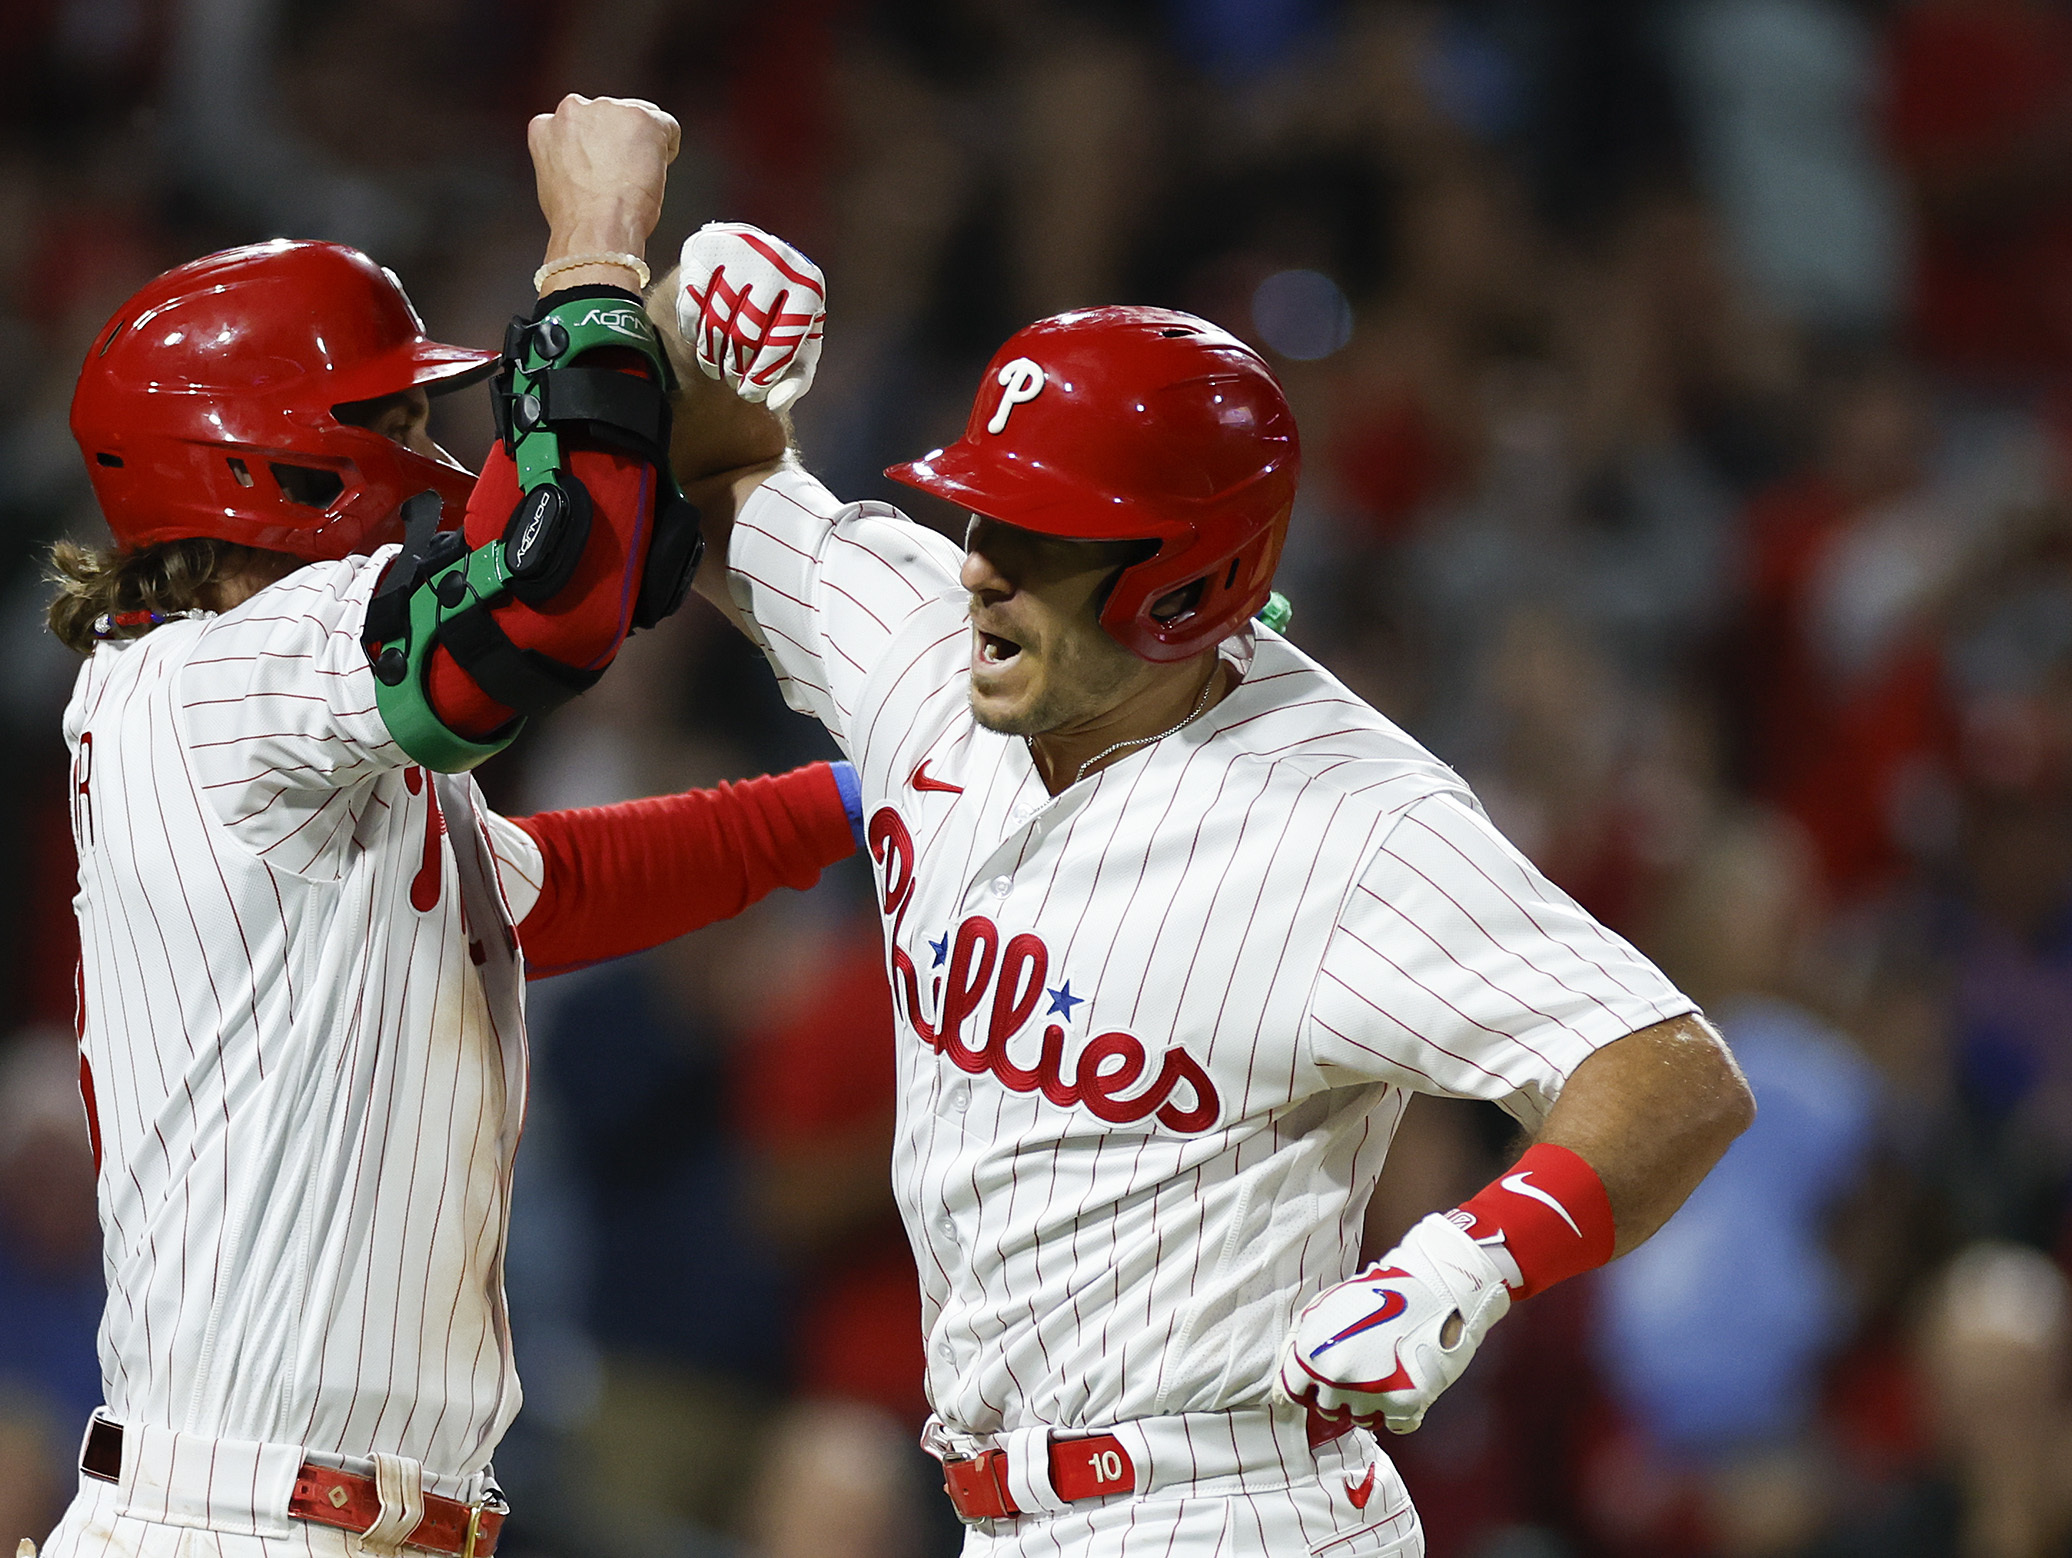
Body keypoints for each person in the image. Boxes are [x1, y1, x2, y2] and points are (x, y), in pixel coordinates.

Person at [651, 224, 1756, 1557]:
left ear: (1189, 576)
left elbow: (1672, 1070)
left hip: (1228, 1503)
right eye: (982, 506)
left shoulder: (1351, 819)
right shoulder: (926, 652)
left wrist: (1469, 1261)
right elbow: (715, 473)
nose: (981, 562)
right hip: (1003, 1513)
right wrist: (695, 322)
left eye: (1044, 532)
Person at [37, 102, 865, 1558]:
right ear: (264, 463)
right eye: (393, 418)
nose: (432, 451)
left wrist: (871, 796)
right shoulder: (205, 684)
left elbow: (542, 890)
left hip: (319, 1511)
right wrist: (593, 247)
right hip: (245, 1517)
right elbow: (540, 599)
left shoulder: (296, 743)